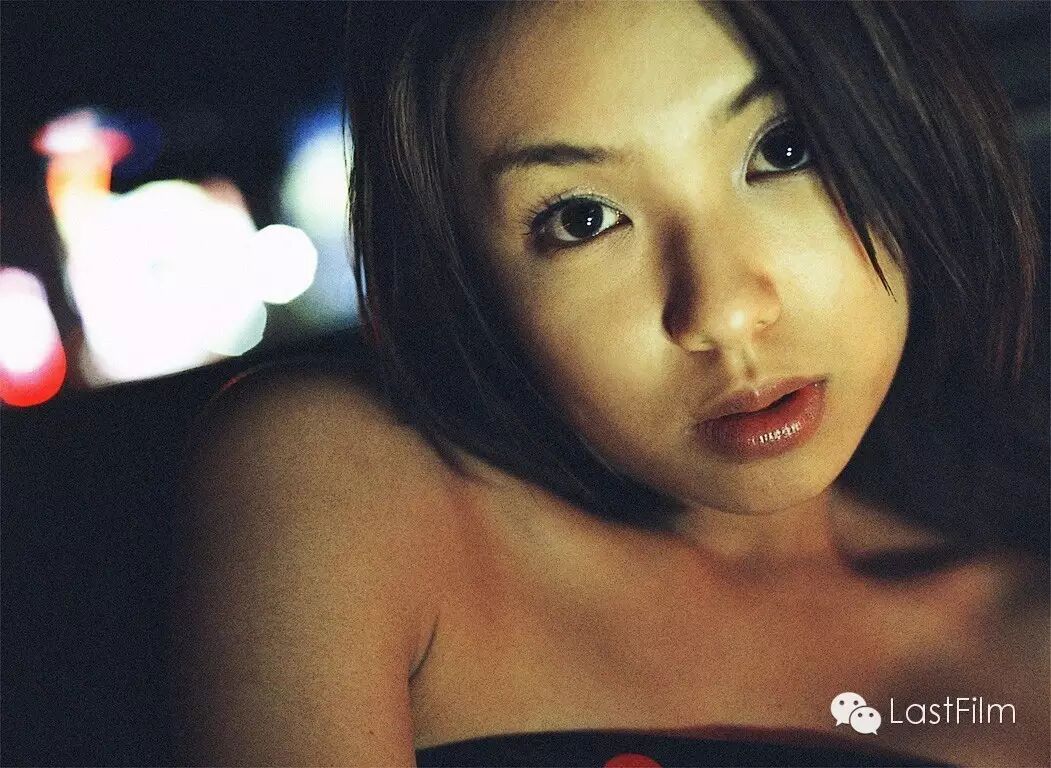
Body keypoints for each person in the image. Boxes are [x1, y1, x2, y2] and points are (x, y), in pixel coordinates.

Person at [174, 2, 1049, 766]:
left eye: (785, 150)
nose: (720, 312)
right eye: (582, 218)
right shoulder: (352, 491)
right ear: (468, 279)